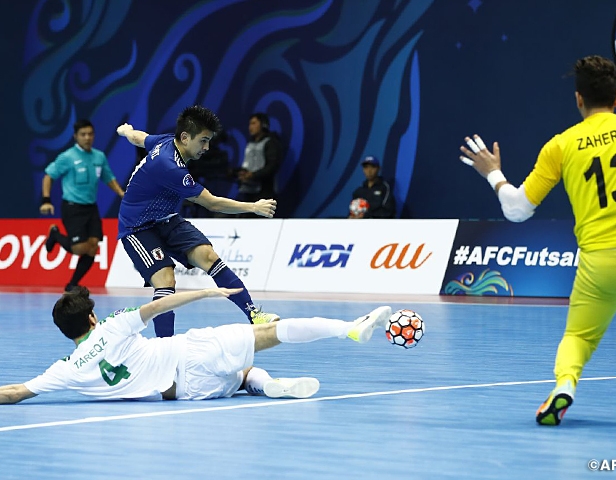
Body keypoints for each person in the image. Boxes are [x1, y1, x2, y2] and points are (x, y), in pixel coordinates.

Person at [458, 55, 616, 426]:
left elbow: (517, 210)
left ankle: (564, 387)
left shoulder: (561, 146)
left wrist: (493, 174)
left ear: (578, 100)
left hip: (599, 264)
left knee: (578, 336)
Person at [0, 286, 392, 404]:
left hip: (188, 392)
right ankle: (350, 330)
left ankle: (266, 386)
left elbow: (15, 393)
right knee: (272, 332)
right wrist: (206, 292)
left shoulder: (64, 369)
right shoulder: (112, 327)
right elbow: (159, 304)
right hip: (188, 351)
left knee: (242, 376)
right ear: (90, 319)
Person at [116, 105, 279, 338]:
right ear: (185, 137)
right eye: (203, 141)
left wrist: (126, 131)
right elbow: (212, 203)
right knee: (165, 280)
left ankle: (254, 315)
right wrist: (253, 207)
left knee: (208, 256)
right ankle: (165, 348)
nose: (206, 147)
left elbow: (139, 138)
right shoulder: (170, 167)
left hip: (167, 219)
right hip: (137, 227)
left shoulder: (163, 141)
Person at [40, 119, 125, 291]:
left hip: (91, 208)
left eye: (90, 134)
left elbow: (108, 178)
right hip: (73, 207)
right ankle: (55, 234)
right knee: (79, 248)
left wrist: (121, 193)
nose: (87, 138)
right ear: (75, 137)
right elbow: (49, 176)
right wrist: (46, 200)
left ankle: (72, 284)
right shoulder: (67, 157)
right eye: (83, 135)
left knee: (93, 247)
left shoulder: (99, 157)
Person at [234, 113, 283, 215]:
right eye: (249, 124)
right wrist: (241, 173)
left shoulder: (270, 143)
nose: (250, 127)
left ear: (263, 125)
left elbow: (272, 166)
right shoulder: (250, 144)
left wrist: (253, 175)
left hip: (264, 192)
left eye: (254, 123)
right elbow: (248, 164)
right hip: (248, 191)